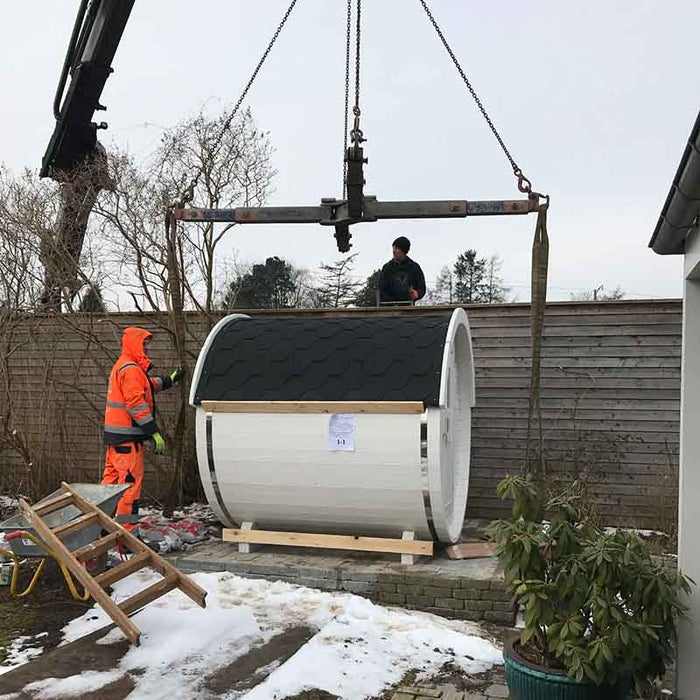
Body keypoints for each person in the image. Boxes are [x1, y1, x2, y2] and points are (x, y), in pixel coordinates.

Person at [102, 327, 183, 529]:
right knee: (129, 490)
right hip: (128, 442)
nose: (146, 348)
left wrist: (169, 381)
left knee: (107, 490)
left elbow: (147, 385)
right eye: (144, 344)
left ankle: (98, 529)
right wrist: (154, 433)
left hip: (116, 441)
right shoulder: (130, 369)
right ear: (133, 344)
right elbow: (136, 404)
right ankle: (126, 536)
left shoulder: (126, 366)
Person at [378, 236, 426, 304]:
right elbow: (381, 290)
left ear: (404, 251)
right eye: (393, 248)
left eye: (397, 248)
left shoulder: (414, 267)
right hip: (389, 309)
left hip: (409, 309)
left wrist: (417, 294)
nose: (393, 251)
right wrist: (393, 303)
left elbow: (421, 287)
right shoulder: (387, 268)